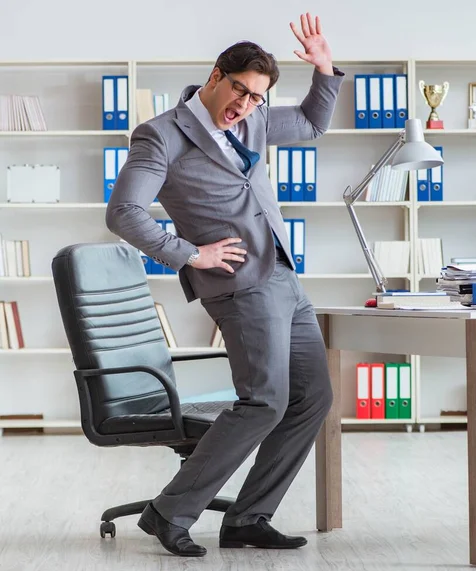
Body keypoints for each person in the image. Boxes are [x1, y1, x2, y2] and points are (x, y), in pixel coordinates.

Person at [106, 13, 344, 558]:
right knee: (264, 401)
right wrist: (190, 254)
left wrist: (324, 68)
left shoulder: (253, 123)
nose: (245, 106)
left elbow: (311, 124)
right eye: (239, 91)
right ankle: (169, 512)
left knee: (312, 397)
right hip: (239, 285)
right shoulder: (160, 135)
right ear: (216, 76)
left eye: (257, 98)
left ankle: (248, 518)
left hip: (284, 275)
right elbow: (123, 212)